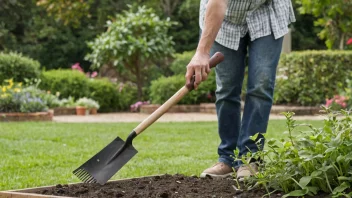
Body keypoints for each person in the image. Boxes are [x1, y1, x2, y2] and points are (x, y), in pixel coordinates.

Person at [185, 0, 296, 180]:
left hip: (266, 12)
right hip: (224, 20)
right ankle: (227, 159)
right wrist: (202, 52)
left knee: (261, 85)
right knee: (226, 89)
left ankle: (249, 158)